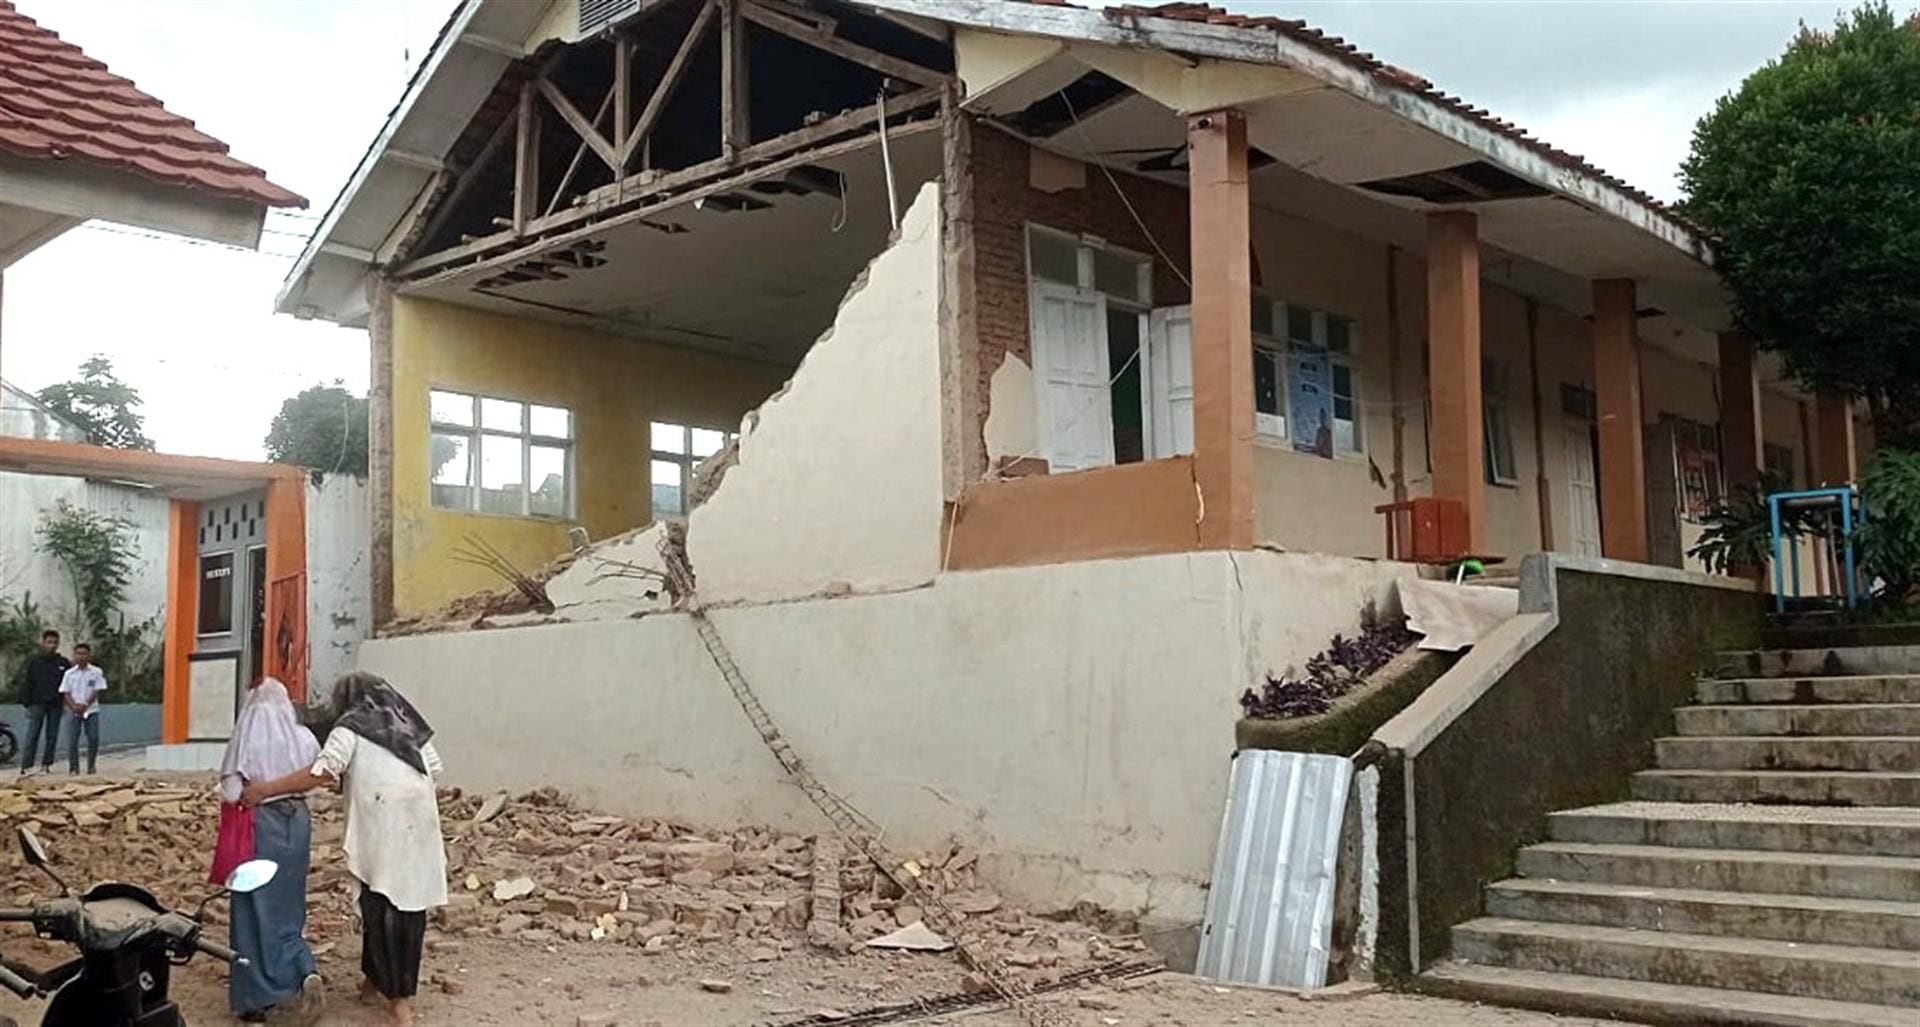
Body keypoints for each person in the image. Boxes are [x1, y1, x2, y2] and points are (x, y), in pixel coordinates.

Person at [242, 673, 447, 1027]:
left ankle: (400, 1005)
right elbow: (434, 769)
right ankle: (372, 984)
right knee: (398, 902)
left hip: (382, 827)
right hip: (420, 825)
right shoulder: (408, 724)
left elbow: (322, 772)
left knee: (386, 911)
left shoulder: (350, 727)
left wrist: (264, 790)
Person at [218, 678, 324, 1024]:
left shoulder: (244, 738)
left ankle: (256, 1000)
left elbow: (232, 790)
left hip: (259, 825)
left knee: (252, 907)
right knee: (289, 903)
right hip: (298, 821)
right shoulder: (304, 737)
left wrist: (257, 790)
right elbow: (319, 775)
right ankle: (301, 969)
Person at [15, 630, 67, 776]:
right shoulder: (33, 661)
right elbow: (27, 683)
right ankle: (26, 766)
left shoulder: (63, 663)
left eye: (55, 642)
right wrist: (26, 704)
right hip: (36, 704)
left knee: (52, 736)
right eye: (49, 642)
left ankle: (46, 765)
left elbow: (69, 684)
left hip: (56, 705)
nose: (52, 645)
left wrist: (66, 702)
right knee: (32, 735)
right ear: (43, 643)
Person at [57, 643, 106, 776]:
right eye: (78, 653)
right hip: (73, 710)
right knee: (72, 740)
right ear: (74, 655)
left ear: (89, 655)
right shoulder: (69, 673)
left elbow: (97, 690)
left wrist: (86, 705)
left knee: (93, 738)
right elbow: (65, 692)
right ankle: (73, 768)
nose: (81, 657)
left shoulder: (96, 672)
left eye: (84, 653)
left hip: (91, 710)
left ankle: (91, 766)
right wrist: (73, 706)